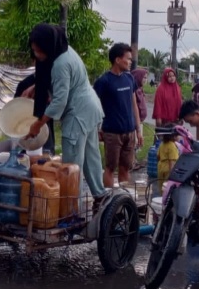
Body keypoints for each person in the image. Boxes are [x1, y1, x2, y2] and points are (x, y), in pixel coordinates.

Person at [25, 24, 107, 204]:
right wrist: (35, 87)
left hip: (77, 114)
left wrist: (38, 124)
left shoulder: (60, 64)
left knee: (71, 166)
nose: (37, 55)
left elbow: (59, 102)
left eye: (39, 51)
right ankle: (100, 197)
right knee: (90, 159)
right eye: (34, 50)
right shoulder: (65, 50)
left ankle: (71, 211)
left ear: (48, 46)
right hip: (90, 108)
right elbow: (60, 84)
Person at [93, 43, 144, 188]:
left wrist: (138, 130)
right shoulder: (104, 81)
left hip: (129, 132)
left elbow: (134, 105)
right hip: (112, 133)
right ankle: (108, 201)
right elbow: (95, 106)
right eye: (128, 59)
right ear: (117, 60)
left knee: (125, 167)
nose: (130, 62)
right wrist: (98, 127)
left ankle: (123, 199)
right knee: (110, 168)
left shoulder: (129, 79)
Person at [14, 65, 55, 154]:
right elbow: (15, 107)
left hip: (45, 131)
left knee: (47, 156)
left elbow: (55, 106)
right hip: (25, 131)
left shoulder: (52, 82)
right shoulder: (24, 84)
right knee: (26, 158)